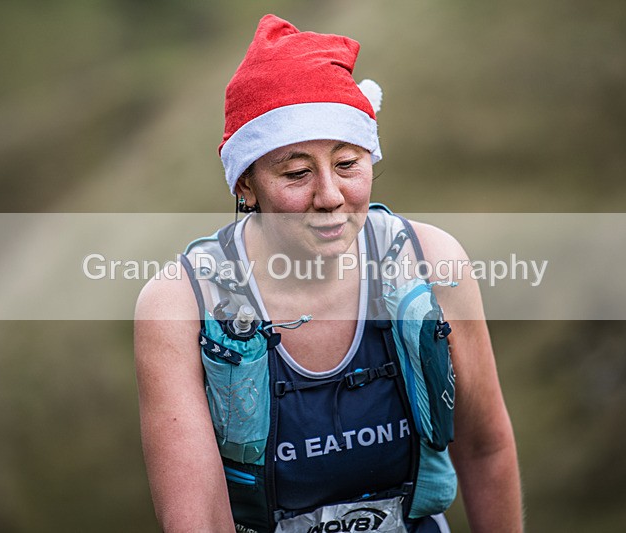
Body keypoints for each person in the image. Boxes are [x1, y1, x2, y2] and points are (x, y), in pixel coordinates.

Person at [135, 14, 522, 533]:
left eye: (347, 164)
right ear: (244, 184)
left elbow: (485, 448)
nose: (330, 196)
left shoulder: (432, 264)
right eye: (296, 173)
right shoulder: (179, 306)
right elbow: (198, 520)